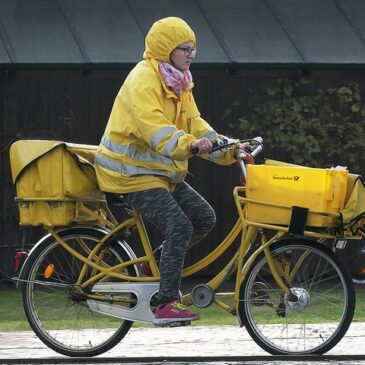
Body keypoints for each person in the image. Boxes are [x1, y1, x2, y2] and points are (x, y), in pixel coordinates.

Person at [95, 16, 247, 325]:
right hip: (129, 174)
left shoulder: (179, 81)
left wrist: (230, 149)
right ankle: (165, 302)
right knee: (181, 226)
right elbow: (154, 127)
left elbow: (195, 124)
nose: (192, 54)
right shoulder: (143, 80)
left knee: (204, 217)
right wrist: (189, 146)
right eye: (185, 48)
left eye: (193, 48)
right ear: (166, 49)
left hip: (158, 174)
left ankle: (158, 267)